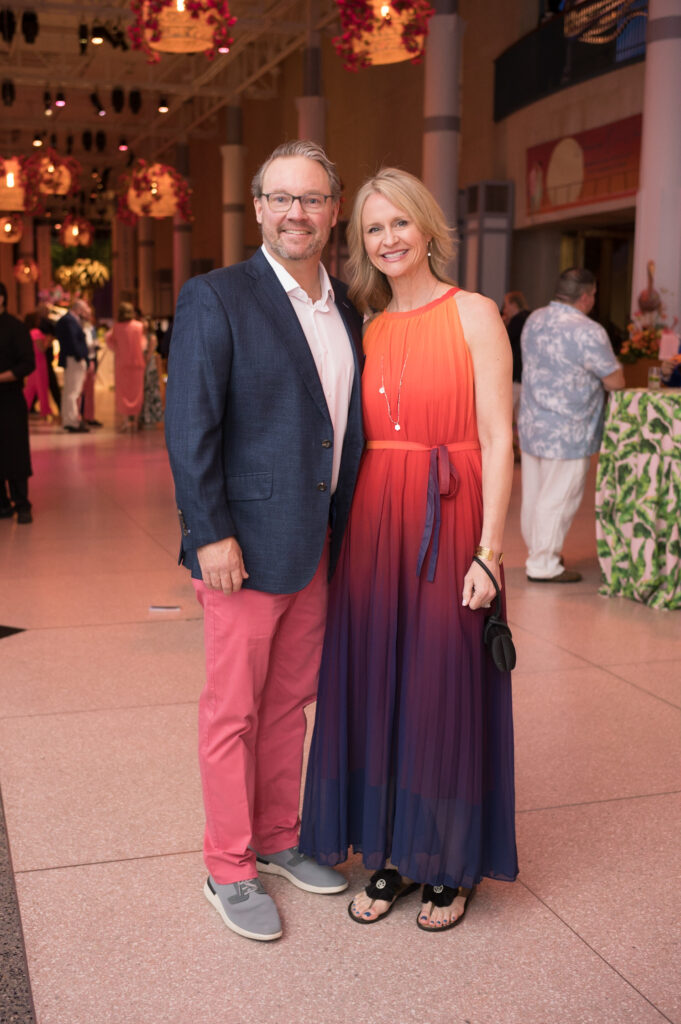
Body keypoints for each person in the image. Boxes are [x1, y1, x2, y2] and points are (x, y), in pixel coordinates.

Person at [299, 168, 518, 933]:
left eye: (399, 222)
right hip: (374, 527)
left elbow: (498, 438)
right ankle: (392, 852)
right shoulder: (368, 327)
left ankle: (447, 861)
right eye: (372, 228)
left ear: (426, 227)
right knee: (382, 685)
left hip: (450, 517)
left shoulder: (474, 313)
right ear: (359, 243)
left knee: (441, 684)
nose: (388, 239)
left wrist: (490, 551)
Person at [165, 140, 364, 943]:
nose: (295, 213)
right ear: (257, 209)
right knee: (233, 711)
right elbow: (190, 428)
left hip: (315, 544)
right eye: (280, 198)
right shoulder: (217, 296)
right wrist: (209, 532)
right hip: (240, 551)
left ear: (333, 211)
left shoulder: (346, 308)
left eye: (310, 199)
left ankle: (278, 837)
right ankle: (228, 866)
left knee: (288, 704)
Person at [518, 267, 624, 582]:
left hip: (533, 424)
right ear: (587, 297)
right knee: (559, 497)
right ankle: (544, 564)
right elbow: (615, 381)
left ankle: (538, 551)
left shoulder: (534, 320)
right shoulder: (588, 330)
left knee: (535, 495)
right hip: (568, 430)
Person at [0, 282, 35, 524]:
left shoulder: (15, 327)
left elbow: (27, 363)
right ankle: (2, 503)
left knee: (15, 451)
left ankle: (22, 503)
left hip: (10, 398)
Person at [106, 302, 147, 432]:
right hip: (137, 362)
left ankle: (125, 422)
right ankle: (135, 421)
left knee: (122, 392)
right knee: (137, 392)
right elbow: (143, 344)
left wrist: (117, 349)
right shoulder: (139, 326)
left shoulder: (116, 327)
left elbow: (108, 340)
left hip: (122, 363)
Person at [54, 298, 93, 433]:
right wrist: (80, 356)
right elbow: (73, 341)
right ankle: (72, 421)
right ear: (79, 309)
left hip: (72, 358)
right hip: (74, 359)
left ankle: (68, 420)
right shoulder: (69, 321)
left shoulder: (69, 320)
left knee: (69, 391)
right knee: (73, 392)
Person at [501, 290, 530, 425]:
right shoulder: (530, 317)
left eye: (506, 305)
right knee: (521, 419)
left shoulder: (517, 321)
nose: (505, 310)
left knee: (503, 415)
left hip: (516, 376)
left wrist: (503, 325)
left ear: (514, 304)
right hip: (527, 376)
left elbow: (503, 343)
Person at [23, 311, 52, 420]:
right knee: (41, 387)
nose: (40, 321)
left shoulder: (30, 332)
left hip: (35, 362)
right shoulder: (36, 332)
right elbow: (41, 349)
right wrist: (48, 341)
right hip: (39, 363)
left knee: (31, 388)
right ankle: (45, 410)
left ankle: (24, 408)